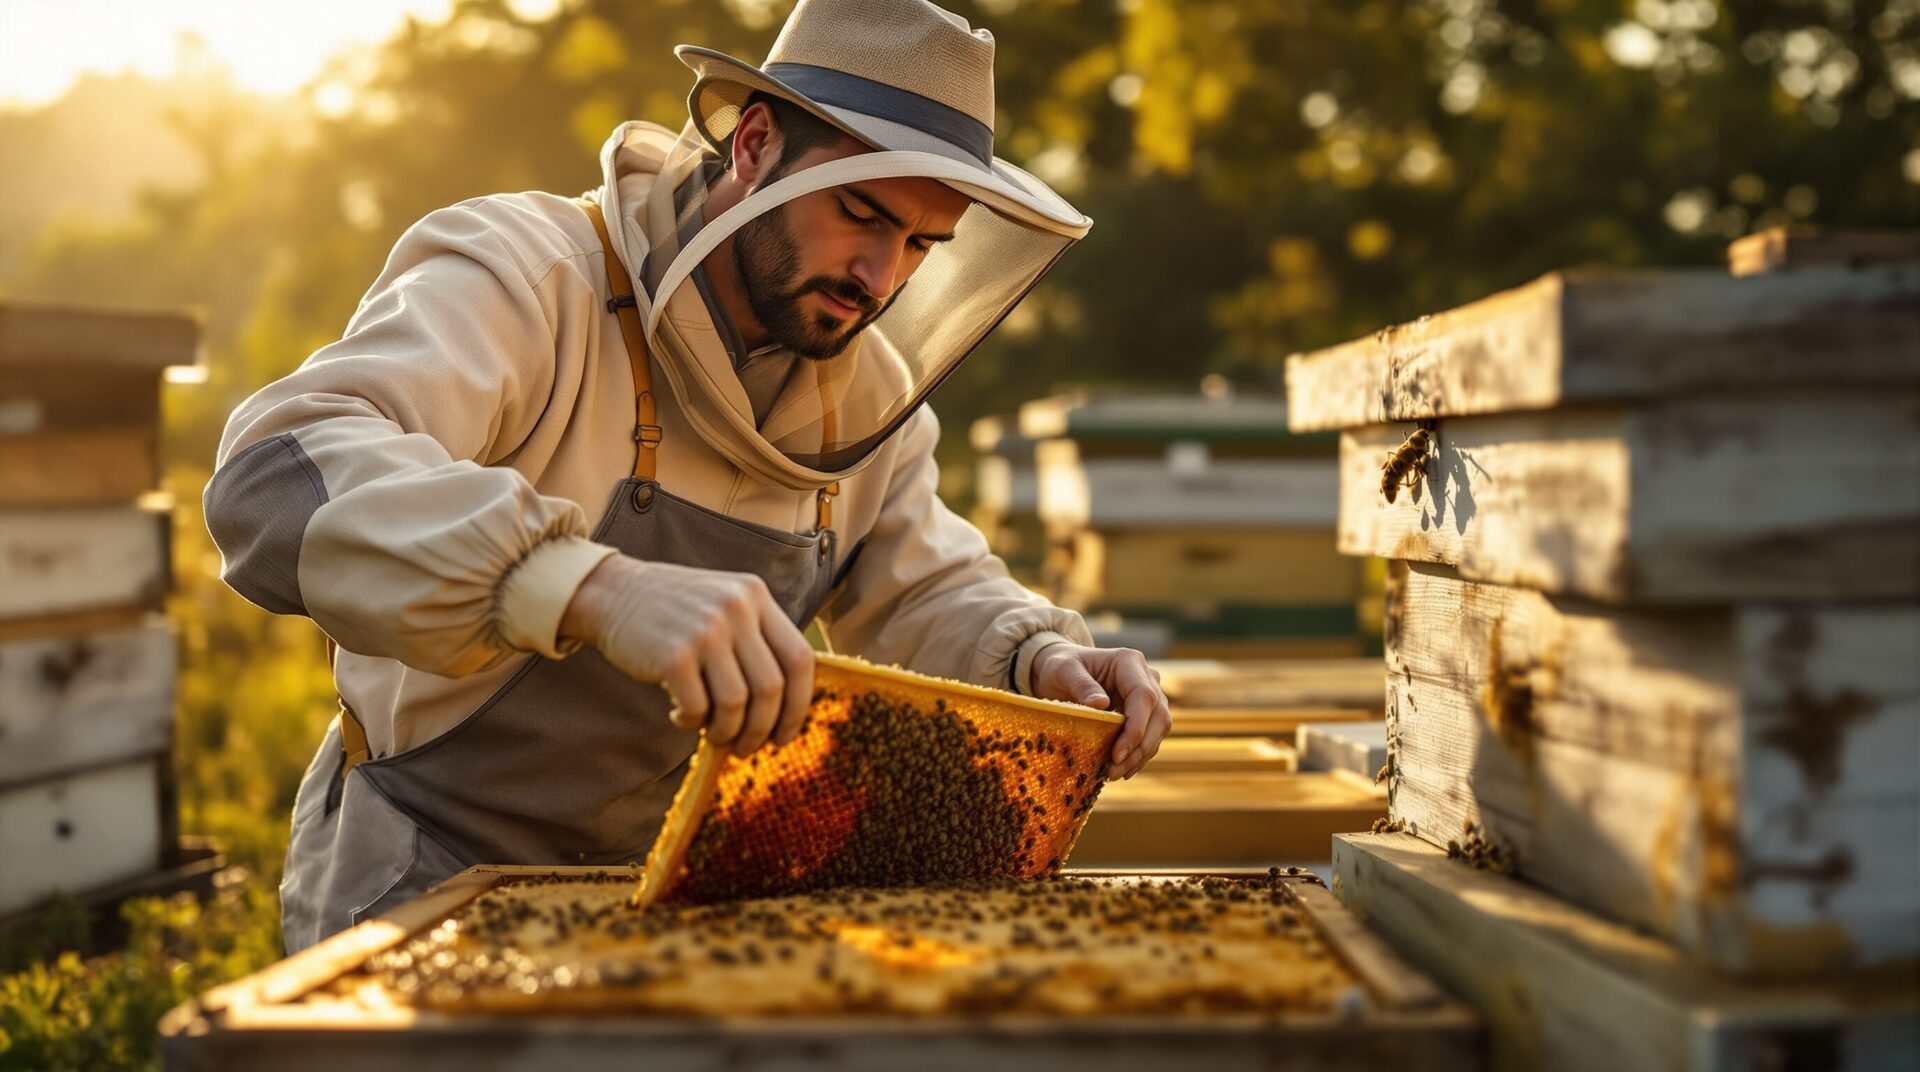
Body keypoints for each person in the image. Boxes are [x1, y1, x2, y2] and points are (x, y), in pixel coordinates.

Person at [204, 0, 1171, 953]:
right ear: (753, 147)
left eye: (921, 244)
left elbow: (927, 585)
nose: (880, 275)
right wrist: (590, 585)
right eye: (860, 213)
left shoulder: (866, 400)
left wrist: (1038, 665)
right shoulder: (530, 277)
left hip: (671, 900)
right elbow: (274, 478)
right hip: (425, 870)